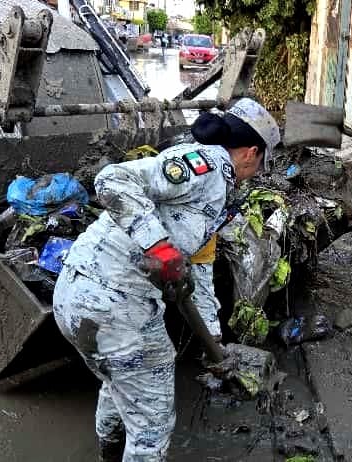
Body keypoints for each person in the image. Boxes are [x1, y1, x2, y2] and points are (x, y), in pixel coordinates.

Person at [53, 98, 280, 462]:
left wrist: (215, 341)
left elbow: (200, 269)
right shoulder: (203, 165)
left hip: (83, 301)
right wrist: (159, 247)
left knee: (118, 383)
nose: (257, 172)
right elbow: (111, 179)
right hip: (114, 304)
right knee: (152, 427)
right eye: (261, 163)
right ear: (252, 152)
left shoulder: (220, 193)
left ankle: (107, 454)